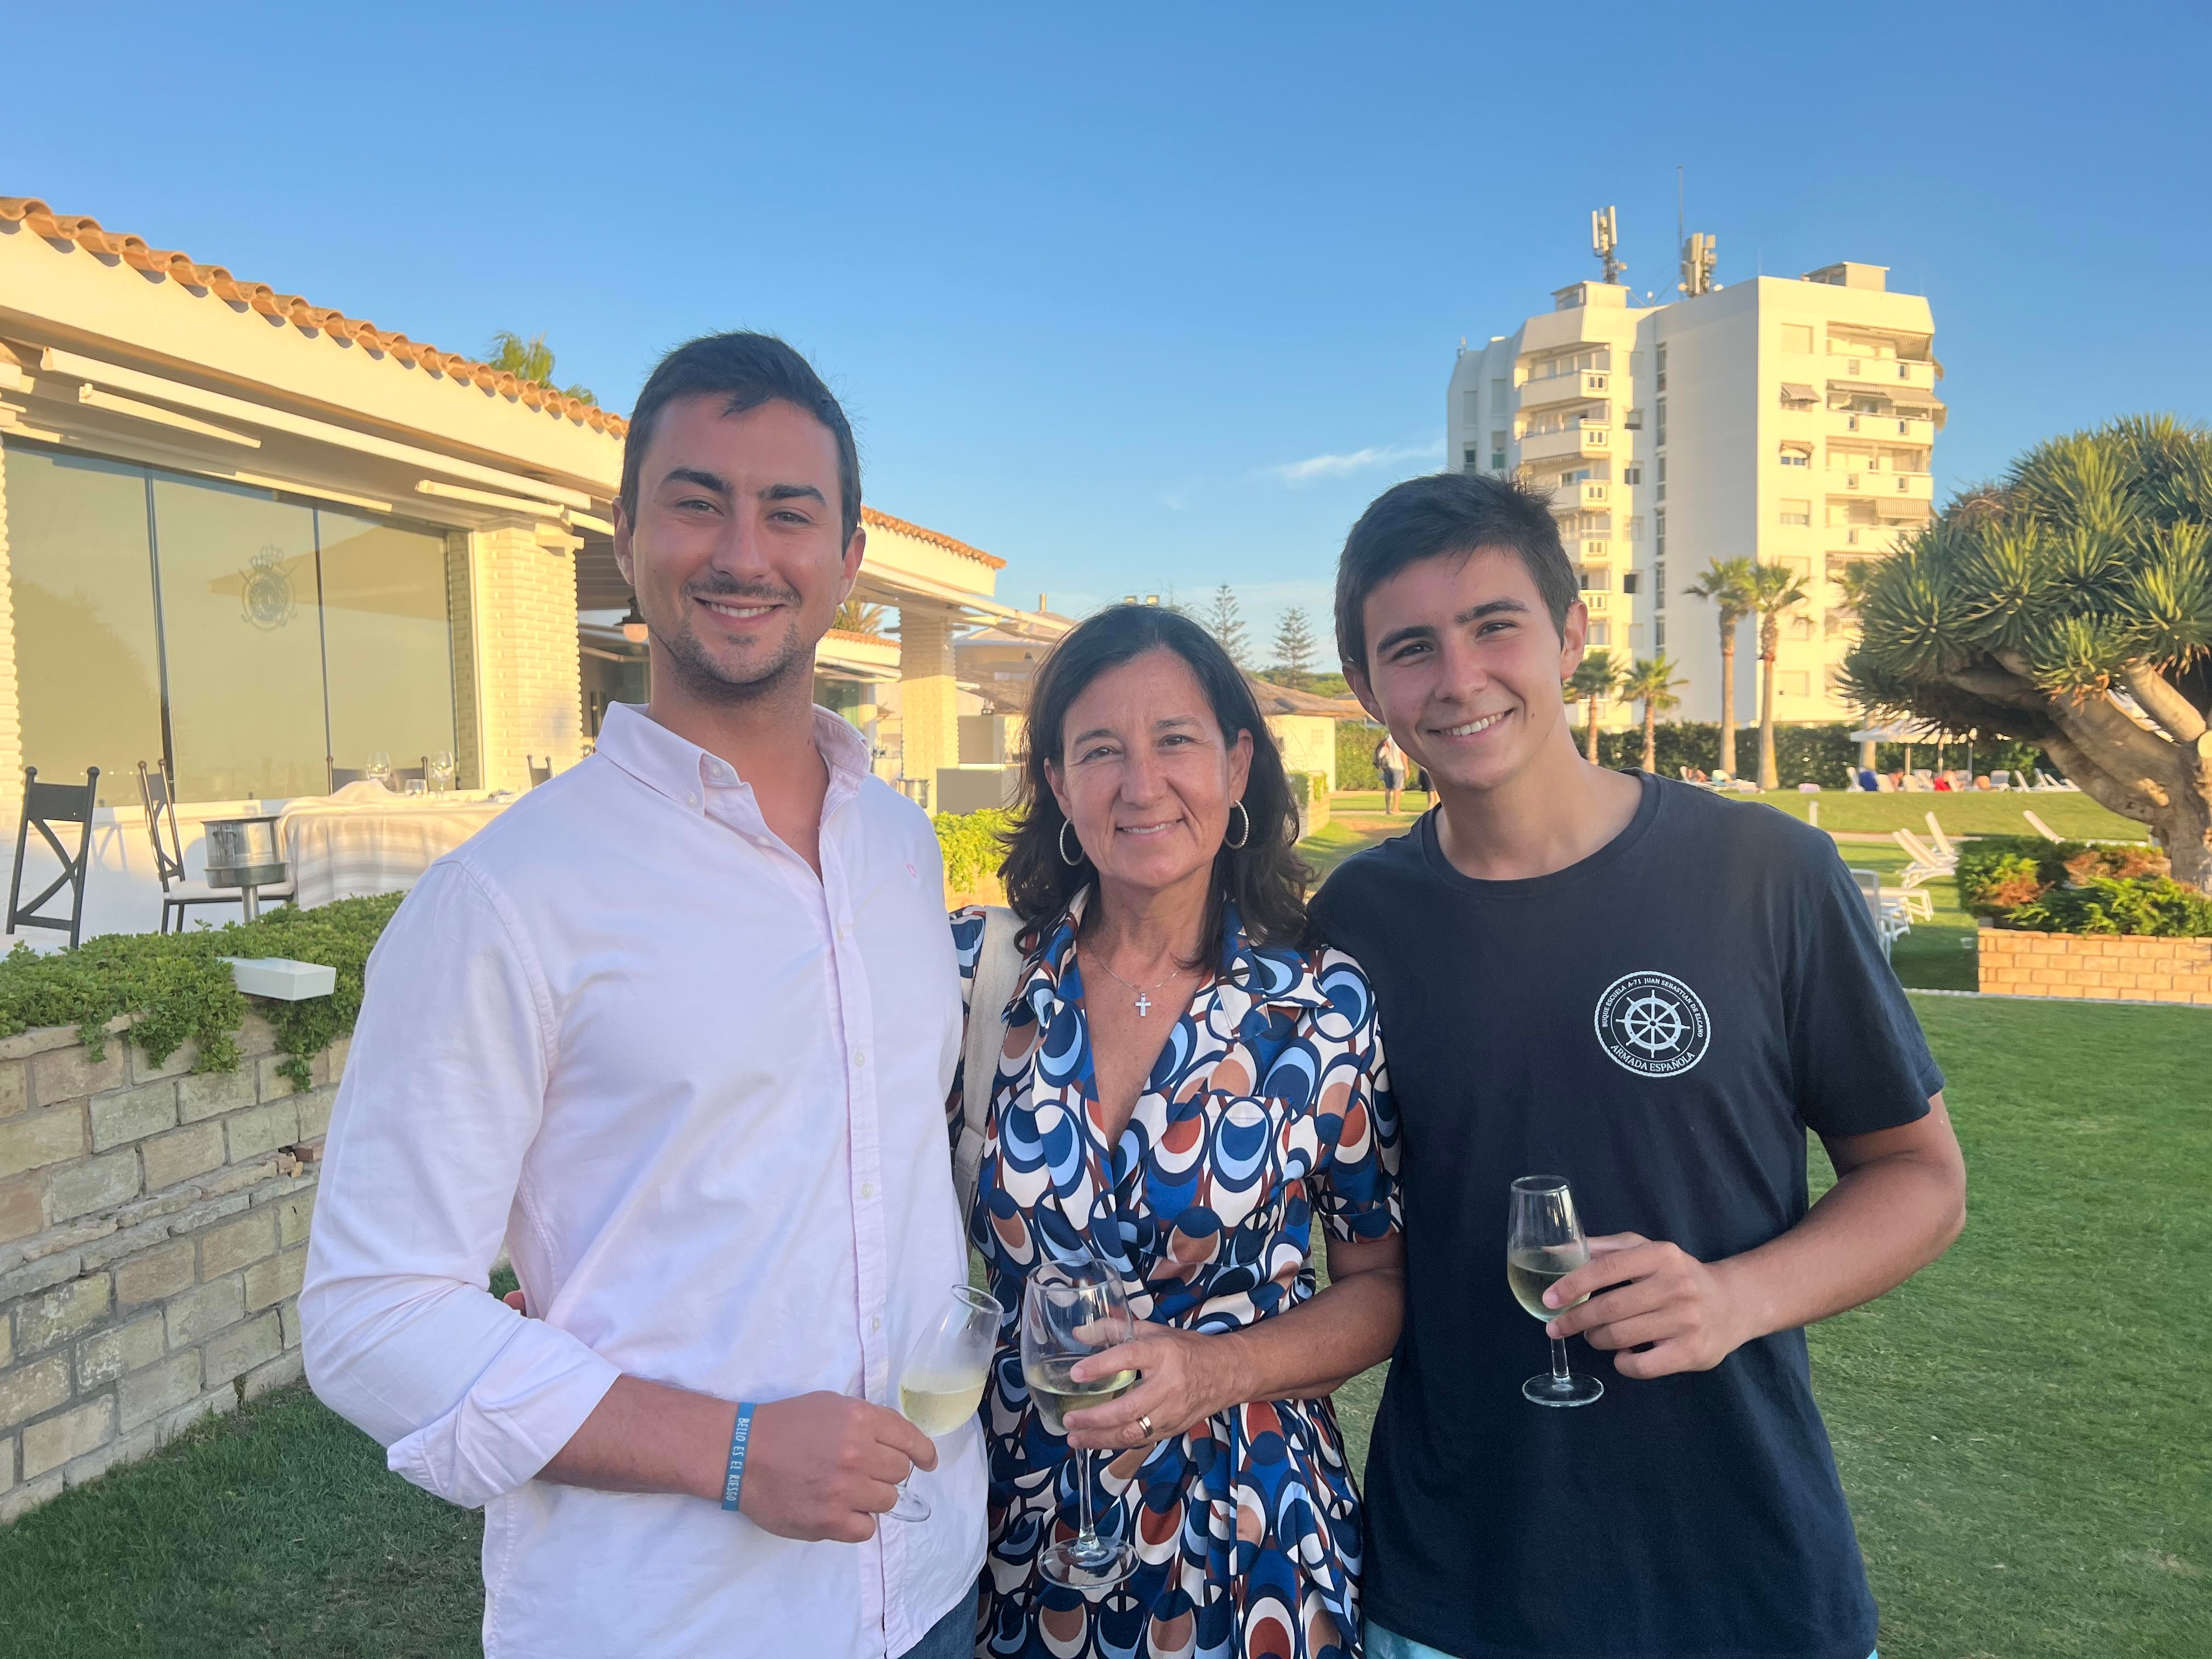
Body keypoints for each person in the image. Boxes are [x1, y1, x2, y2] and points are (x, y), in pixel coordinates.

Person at [301, 332, 983, 1659]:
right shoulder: (506, 898)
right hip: (671, 1619)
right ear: (625, 536)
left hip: (934, 1575)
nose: (743, 551)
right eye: (695, 500)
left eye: (791, 511)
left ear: (847, 561)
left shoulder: (898, 852)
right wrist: (729, 1451)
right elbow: (369, 1312)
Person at [1306, 471, 1967, 1659]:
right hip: (1452, 1585)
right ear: (1366, 689)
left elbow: (1919, 1175)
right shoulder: (1357, 918)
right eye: (1410, 649)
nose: (1458, 679)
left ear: (1569, 636)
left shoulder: (1767, 874)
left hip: (1743, 1574)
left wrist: (1735, 1298)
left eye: (1494, 625)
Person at [952, 603, 1404, 1659]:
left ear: (1237, 763)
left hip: (1252, 1538)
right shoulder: (976, 979)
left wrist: (1214, 1369)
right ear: (1058, 784)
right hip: (1015, 1529)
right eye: (1100, 749)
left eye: (1176, 741)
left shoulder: (1319, 1009)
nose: (1140, 783)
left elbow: (1380, 1284)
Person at [1374, 728, 1409, 815]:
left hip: (1388, 766)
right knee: (1398, 788)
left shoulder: (1388, 738)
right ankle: (1396, 809)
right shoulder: (1400, 739)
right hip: (1398, 766)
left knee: (1388, 788)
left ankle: (1387, 809)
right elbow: (1403, 754)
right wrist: (1407, 768)